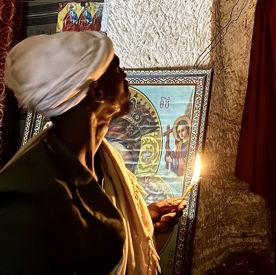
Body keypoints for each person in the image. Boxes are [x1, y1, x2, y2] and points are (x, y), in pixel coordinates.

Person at [0, 31, 186, 274]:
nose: (125, 76)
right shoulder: (29, 200)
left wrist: (145, 221)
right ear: (98, 91)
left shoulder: (103, 162)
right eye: (118, 69)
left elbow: (92, 241)